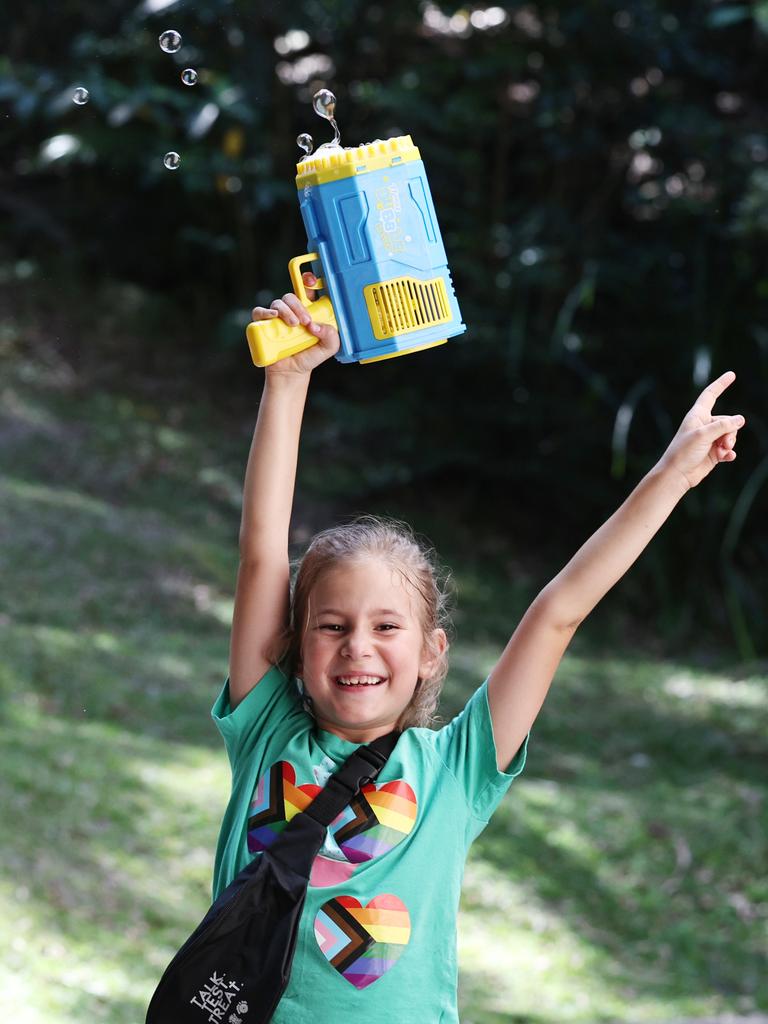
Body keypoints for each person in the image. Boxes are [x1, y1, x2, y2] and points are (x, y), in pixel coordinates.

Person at [212, 273, 744, 1023]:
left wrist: (670, 476)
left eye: (386, 626)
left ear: (433, 652)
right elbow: (264, 554)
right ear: (296, 647)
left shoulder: (457, 771)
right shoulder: (265, 728)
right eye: (331, 626)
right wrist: (289, 382)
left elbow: (557, 613)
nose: (357, 646)